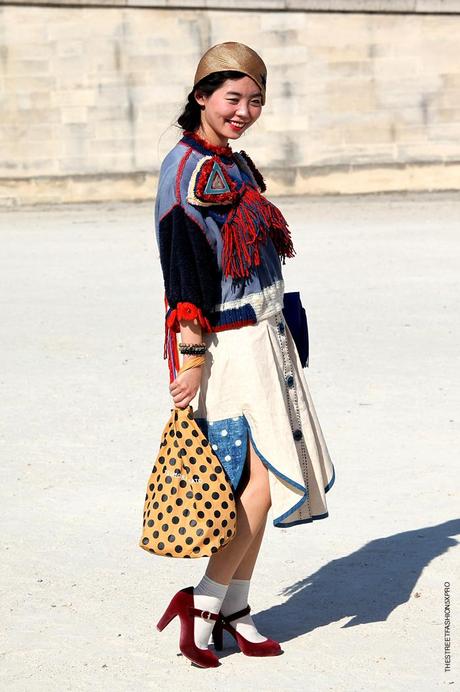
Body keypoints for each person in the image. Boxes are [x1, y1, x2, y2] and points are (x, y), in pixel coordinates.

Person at [154, 41, 335, 668]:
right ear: (201, 96)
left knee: (260, 481)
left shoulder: (236, 163)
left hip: (266, 336)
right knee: (248, 487)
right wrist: (193, 355)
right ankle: (203, 602)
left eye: (256, 100)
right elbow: (184, 276)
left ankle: (235, 606)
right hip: (224, 345)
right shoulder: (184, 172)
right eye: (233, 97)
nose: (245, 110)